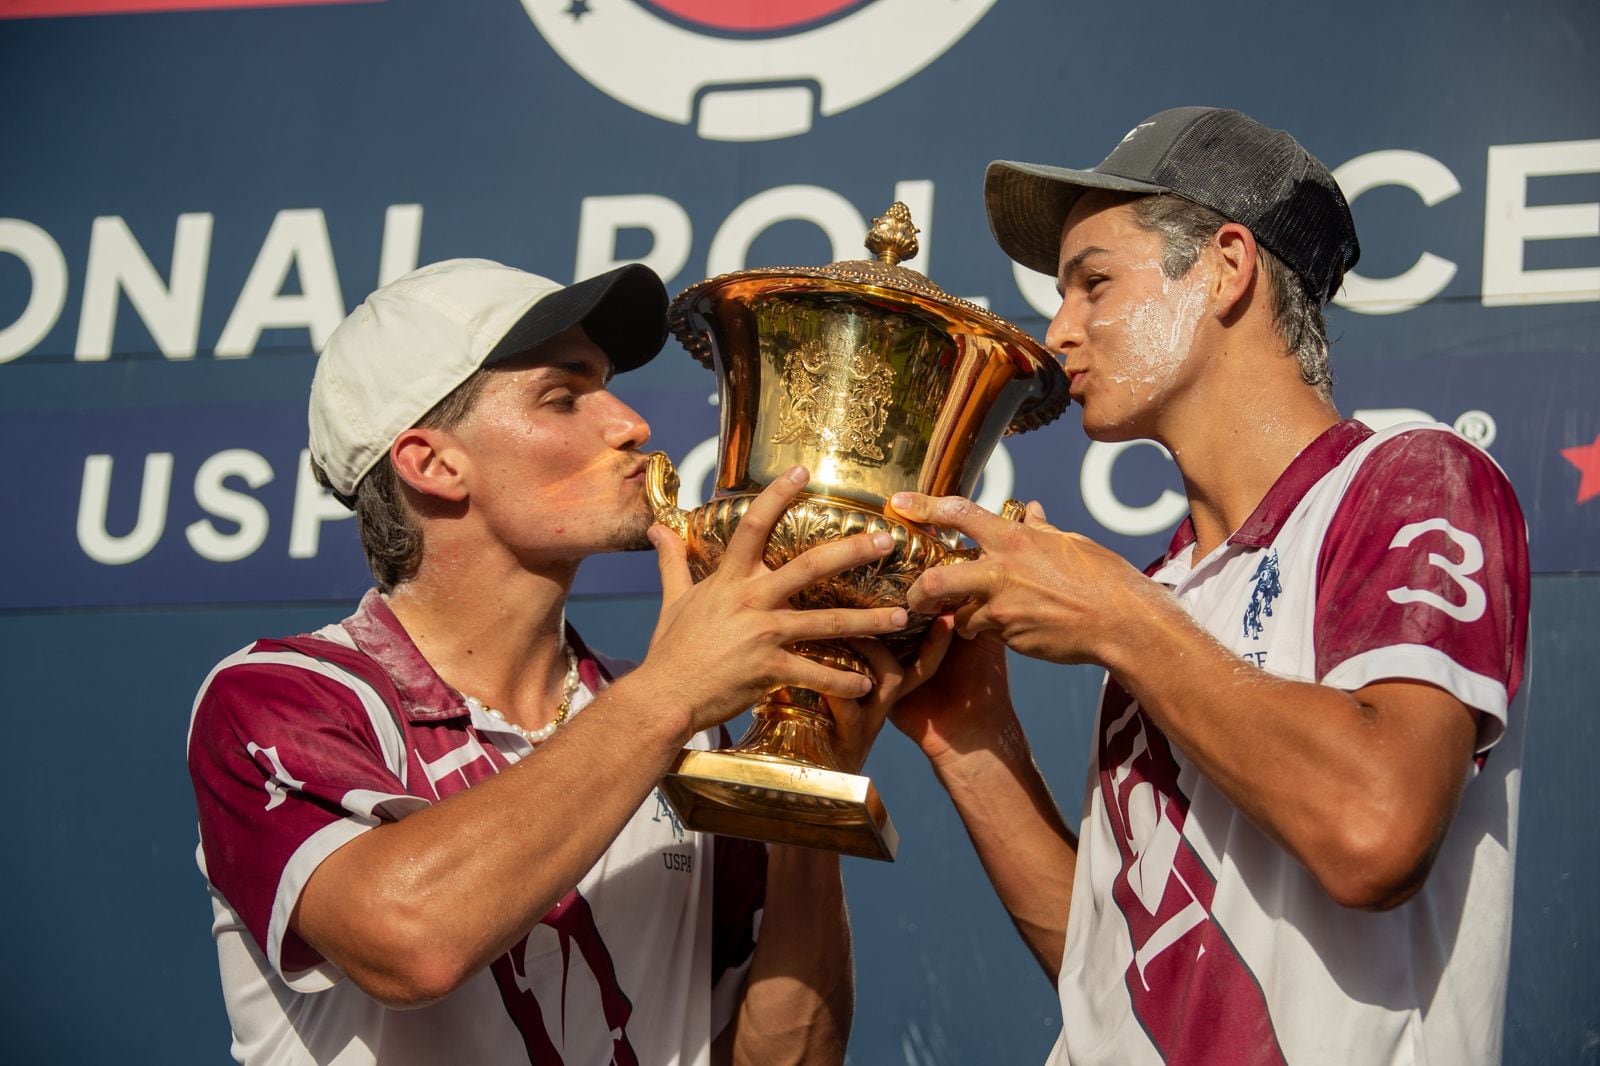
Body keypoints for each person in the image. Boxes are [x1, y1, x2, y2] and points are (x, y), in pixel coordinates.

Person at [885, 107, 1530, 1063]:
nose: (1057, 330)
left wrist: (1119, 619)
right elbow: (1118, 966)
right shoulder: (1165, 592)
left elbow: (1376, 829)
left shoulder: (1410, 479)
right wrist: (974, 738)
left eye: (1093, 283)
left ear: (1227, 267)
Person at [186, 258, 920, 1065]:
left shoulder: (690, 737)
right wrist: (666, 692)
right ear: (433, 463)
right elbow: (412, 940)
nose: (632, 424)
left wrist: (806, 796)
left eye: (606, 385)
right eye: (564, 396)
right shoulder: (283, 695)